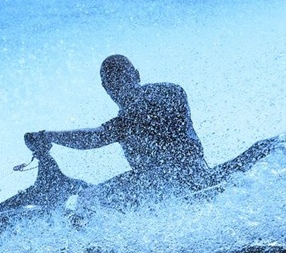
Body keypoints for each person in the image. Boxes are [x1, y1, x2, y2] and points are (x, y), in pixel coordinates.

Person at [24, 54, 213, 196]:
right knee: (82, 192)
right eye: (113, 84)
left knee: (88, 200)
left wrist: (47, 135)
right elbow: (99, 135)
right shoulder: (127, 119)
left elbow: (94, 138)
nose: (120, 89)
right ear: (105, 88)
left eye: (124, 80)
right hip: (174, 180)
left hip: (176, 180)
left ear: (137, 76)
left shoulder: (168, 92)